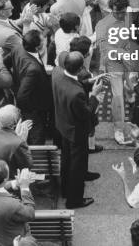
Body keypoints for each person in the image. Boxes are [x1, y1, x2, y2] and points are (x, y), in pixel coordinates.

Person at [52, 51, 103, 208]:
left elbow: (72, 82)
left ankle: (66, 190)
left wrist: (89, 82)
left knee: (67, 159)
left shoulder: (57, 72)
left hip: (63, 124)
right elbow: (86, 113)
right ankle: (74, 200)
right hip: (76, 131)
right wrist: (94, 95)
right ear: (81, 68)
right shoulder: (76, 94)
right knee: (77, 164)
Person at [7, 29, 52, 144]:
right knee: (37, 138)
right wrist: (30, 112)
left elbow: (5, 63)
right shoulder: (33, 69)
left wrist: (16, 83)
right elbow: (22, 97)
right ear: (38, 47)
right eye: (43, 40)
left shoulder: (17, 48)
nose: (44, 40)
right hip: (34, 108)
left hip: (32, 98)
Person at [0, 105, 33, 178]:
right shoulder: (17, 143)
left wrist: (14, 134)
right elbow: (27, 165)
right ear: (15, 123)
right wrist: (22, 140)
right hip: (7, 180)